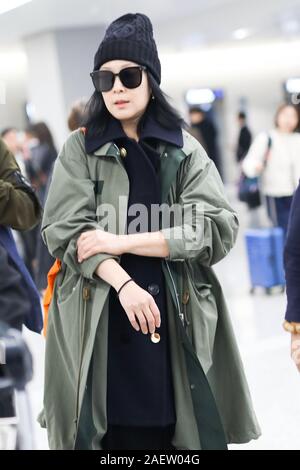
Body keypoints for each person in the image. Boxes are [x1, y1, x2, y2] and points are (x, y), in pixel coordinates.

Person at [38, 12, 260, 450]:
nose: (116, 88)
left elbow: (215, 226)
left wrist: (119, 241)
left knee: (173, 430)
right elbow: (65, 229)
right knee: (109, 431)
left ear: (151, 80)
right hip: (97, 314)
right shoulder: (81, 148)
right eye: (105, 79)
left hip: (174, 312)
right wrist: (123, 283)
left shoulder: (182, 148)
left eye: (129, 75)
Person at [242, 103, 300, 238]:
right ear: (277, 117)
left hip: (296, 193)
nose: (288, 120)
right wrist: (256, 166)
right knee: (285, 232)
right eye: (285, 115)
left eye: (293, 116)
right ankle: (286, 259)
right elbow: (248, 163)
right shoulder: (267, 138)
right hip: (275, 195)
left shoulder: (298, 139)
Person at [188, 106, 222, 175]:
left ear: (200, 114)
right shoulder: (192, 127)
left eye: (194, 115)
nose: (192, 117)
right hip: (198, 158)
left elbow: (212, 139)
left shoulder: (208, 125)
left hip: (209, 154)